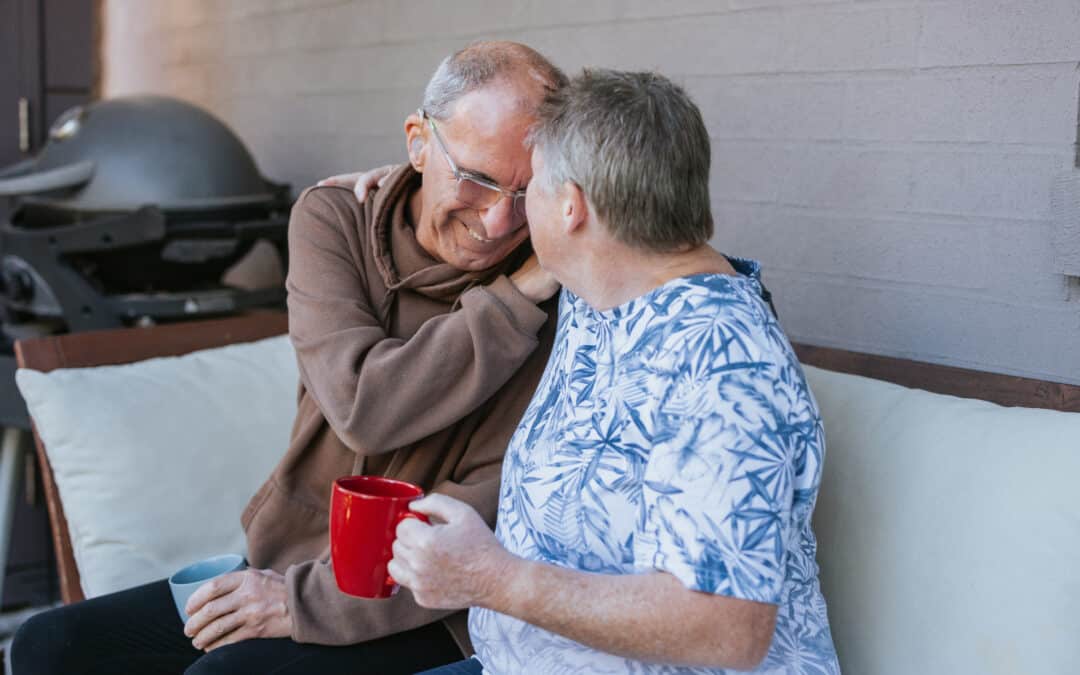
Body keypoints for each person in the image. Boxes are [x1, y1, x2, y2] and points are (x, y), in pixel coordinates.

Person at [12, 41, 566, 675]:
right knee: (49, 647)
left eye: (528, 192)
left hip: (431, 602)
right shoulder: (337, 220)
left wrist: (304, 605)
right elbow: (365, 407)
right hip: (296, 556)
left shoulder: (561, 294)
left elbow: (483, 510)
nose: (499, 223)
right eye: (477, 178)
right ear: (418, 142)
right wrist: (512, 296)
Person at [386, 69, 841, 674]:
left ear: (571, 206)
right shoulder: (602, 286)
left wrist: (492, 580)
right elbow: (493, 120)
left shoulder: (723, 363)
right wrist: (403, 185)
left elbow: (726, 628)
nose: (514, 212)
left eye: (531, 190)